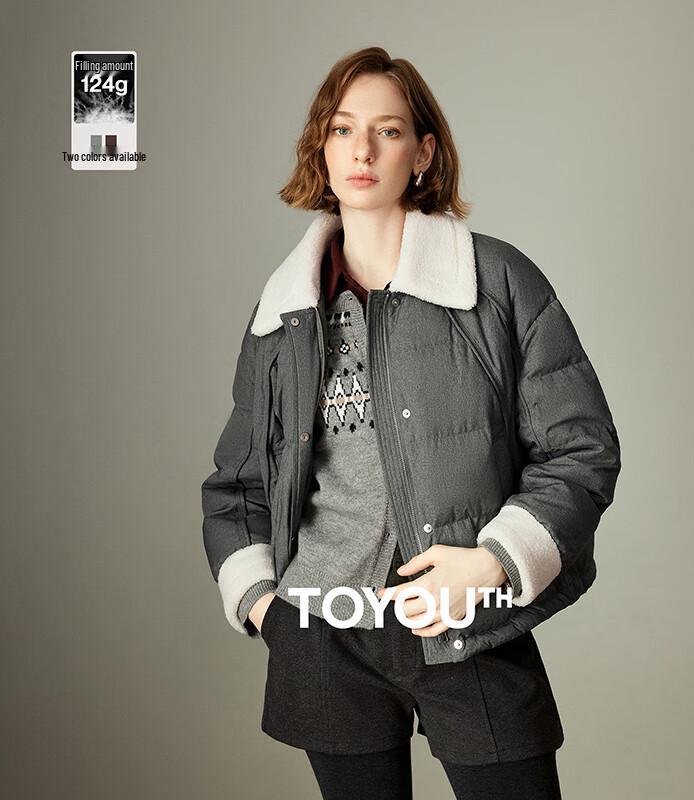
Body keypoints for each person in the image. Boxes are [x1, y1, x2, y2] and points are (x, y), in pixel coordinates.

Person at [201, 46, 621, 800]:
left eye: (387, 131)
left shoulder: (494, 281)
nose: (362, 151)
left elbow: (580, 449)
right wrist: (268, 607)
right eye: (342, 129)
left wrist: (490, 564)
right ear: (321, 149)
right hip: (322, 637)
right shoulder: (283, 313)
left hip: (468, 623)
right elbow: (237, 486)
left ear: (423, 153)